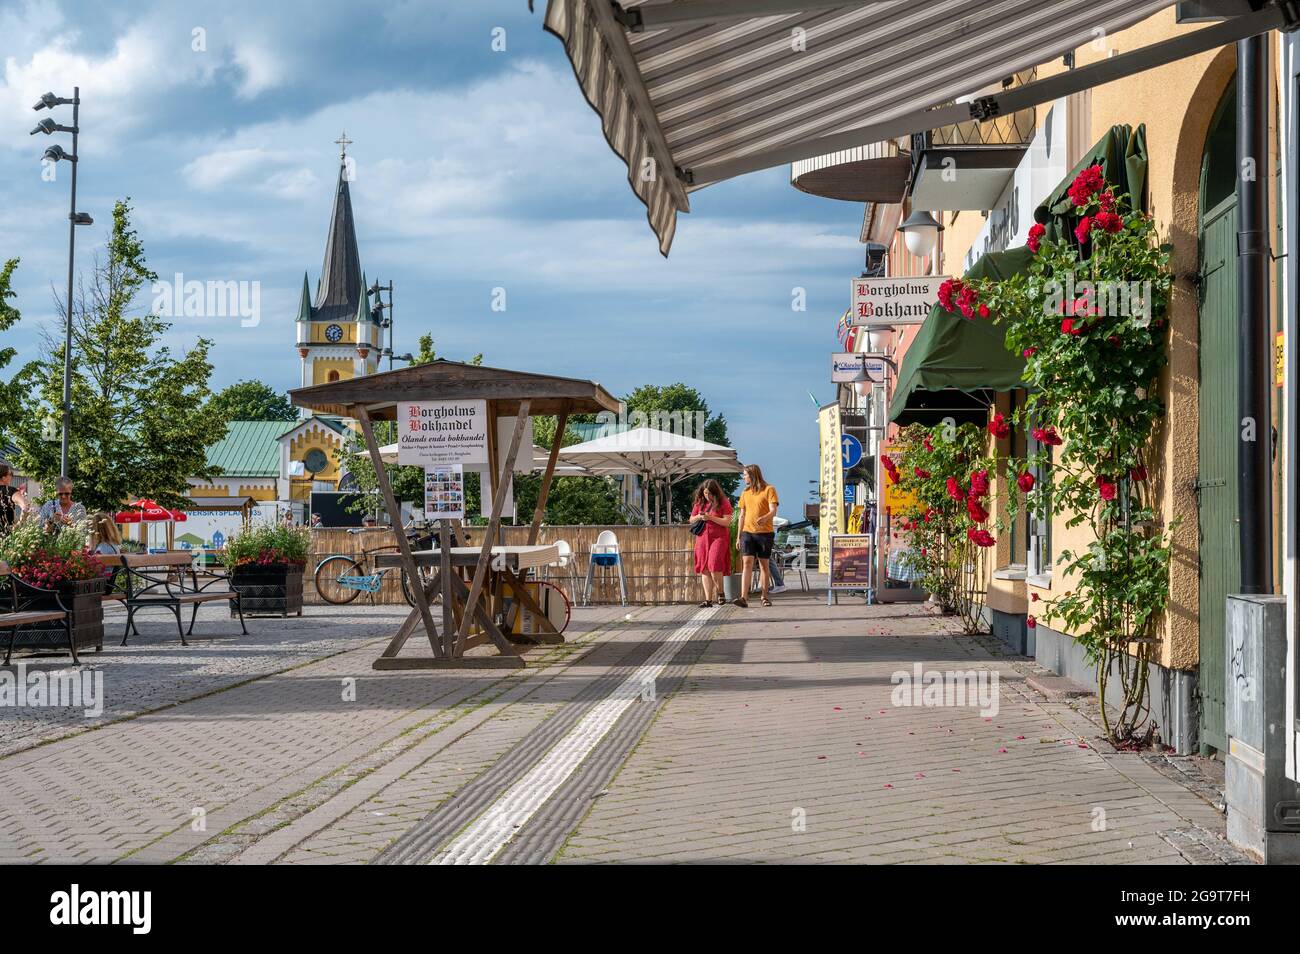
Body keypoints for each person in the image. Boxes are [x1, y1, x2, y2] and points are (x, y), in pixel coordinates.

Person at [733, 463, 779, 608]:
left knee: (764, 565)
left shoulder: (769, 489)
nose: (743, 477)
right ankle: (743, 597)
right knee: (746, 563)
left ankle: (765, 596)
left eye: (745, 475)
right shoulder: (745, 493)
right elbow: (742, 515)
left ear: (752, 475)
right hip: (747, 533)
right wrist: (738, 536)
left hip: (765, 534)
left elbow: (773, 510)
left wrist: (765, 518)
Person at [688, 479, 732, 608]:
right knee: (704, 568)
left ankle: (720, 592)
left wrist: (710, 517)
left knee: (714, 563)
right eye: (705, 493)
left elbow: (727, 522)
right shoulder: (700, 502)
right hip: (702, 538)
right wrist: (699, 517)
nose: (707, 496)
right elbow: (691, 519)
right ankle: (708, 599)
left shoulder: (723, 502)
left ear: (715, 492)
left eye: (709, 493)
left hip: (719, 537)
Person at [0, 461, 29, 533]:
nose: (12, 477)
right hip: (5, 537)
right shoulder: (10, 491)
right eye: (10, 474)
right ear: (3, 478)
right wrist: (19, 524)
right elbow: (26, 507)